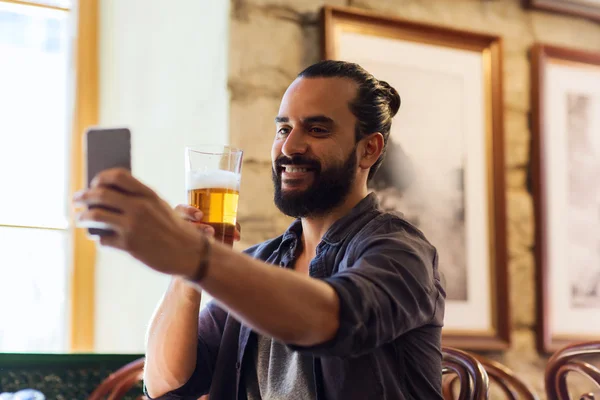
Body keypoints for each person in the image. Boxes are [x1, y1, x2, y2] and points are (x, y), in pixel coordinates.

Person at [74, 60, 446, 399]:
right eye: (283, 128)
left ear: (369, 150)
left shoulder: (400, 251)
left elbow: (333, 319)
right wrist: (185, 276)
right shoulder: (263, 262)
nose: (290, 146)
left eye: (316, 129)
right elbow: (167, 385)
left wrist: (197, 257)